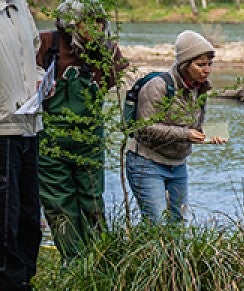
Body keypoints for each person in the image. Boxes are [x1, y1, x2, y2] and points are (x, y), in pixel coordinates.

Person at [36, 0, 125, 261]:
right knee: (58, 205)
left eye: (100, 22)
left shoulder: (108, 51)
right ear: (70, 26)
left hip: (89, 143)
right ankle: (73, 265)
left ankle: (99, 260)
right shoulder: (45, 44)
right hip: (50, 145)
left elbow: (112, 84)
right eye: (90, 23)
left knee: (92, 202)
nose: (97, 28)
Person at [125, 29, 225, 224]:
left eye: (209, 64)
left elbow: (193, 126)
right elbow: (144, 128)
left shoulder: (200, 88)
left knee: (177, 223)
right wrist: (186, 134)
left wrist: (208, 135)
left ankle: (170, 256)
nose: (207, 70)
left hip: (178, 165)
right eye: (200, 65)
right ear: (184, 64)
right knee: (157, 223)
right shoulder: (158, 86)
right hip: (146, 162)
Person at [1, 0, 43, 291]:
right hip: (2, 128)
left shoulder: (21, 8)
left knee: (29, 215)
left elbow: (33, 56)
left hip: (30, 125)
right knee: (6, 217)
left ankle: (23, 286)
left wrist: (42, 78)